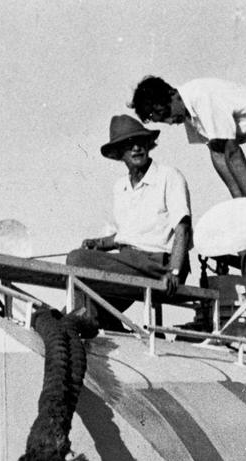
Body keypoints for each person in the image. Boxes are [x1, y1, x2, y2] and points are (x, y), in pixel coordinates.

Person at [132, 76, 246, 345]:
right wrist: (240, 204)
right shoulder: (191, 114)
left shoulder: (201, 98)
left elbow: (232, 151)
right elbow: (217, 156)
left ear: (171, 96)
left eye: (165, 114)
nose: (169, 122)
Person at [66, 114, 192, 332]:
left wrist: (174, 270)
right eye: (128, 145)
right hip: (129, 261)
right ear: (118, 154)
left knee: (76, 259)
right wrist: (100, 243)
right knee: (83, 295)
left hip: (159, 264)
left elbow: (183, 227)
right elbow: (129, 234)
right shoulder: (120, 187)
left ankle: (92, 319)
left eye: (140, 142)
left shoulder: (168, 176)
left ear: (149, 145)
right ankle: (100, 321)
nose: (136, 149)